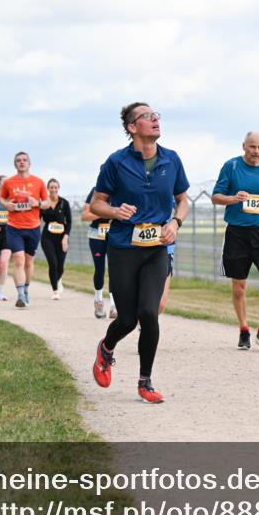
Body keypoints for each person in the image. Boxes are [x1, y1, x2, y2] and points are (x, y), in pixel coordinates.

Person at [90, 102, 189, 403]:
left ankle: (145, 381)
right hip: (122, 248)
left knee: (150, 311)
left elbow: (182, 200)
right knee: (128, 320)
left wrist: (175, 221)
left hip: (157, 247)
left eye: (156, 115)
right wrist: (115, 210)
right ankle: (106, 348)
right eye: (147, 116)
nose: (155, 119)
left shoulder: (171, 160)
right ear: (133, 128)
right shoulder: (116, 162)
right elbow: (96, 204)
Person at [211, 131, 259, 350]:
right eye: (252, 147)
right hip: (237, 233)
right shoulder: (231, 166)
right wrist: (234, 198)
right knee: (239, 287)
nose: (256, 152)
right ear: (244, 146)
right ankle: (244, 329)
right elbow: (215, 196)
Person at [0, 151, 50, 308]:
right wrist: (7, 204)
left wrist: (37, 204)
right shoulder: (9, 182)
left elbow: (47, 202)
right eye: (18, 160)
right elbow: (1, 197)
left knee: (29, 262)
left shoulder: (38, 182)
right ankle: (20, 294)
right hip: (14, 227)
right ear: (15, 164)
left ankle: (26, 289)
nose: (21, 162)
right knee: (19, 259)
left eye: (24, 160)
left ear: (29, 163)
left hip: (33, 227)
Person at [82, 188, 117, 319]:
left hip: (114, 235)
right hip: (97, 235)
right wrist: (105, 211)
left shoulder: (121, 188)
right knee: (100, 269)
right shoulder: (95, 191)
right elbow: (85, 215)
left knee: (115, 270)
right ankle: (98, 301)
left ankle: (114, 306)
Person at [40, 178, 72, 299]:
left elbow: (69, 222)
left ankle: (58, 280)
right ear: (48, 189)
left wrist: (65, 238)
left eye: (55, 187)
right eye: (51, 187)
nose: (53, 189)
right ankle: (55, 291)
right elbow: (36, 219)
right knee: (53, 264)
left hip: (62, 237)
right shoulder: (43, 203)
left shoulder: (64, 203)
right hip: (47, 237)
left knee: (60, 266)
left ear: (58, 188)